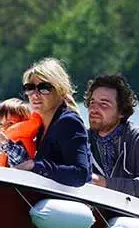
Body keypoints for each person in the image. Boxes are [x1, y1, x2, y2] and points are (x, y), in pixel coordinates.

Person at [12, 58, 91, 187]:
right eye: (30, 88)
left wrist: (34, 165)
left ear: (60, 90)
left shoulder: (69, 122)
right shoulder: (40, 126)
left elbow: (80, 174)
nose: (35, 95)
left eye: (44, 88)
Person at [85, 73, 139, 199]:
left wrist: (105, 183)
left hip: (130, 212)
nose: (94, 109)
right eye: (92, 102)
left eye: (104, 104)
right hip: (91, 209)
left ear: (122, 111)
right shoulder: (81, 139)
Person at [0, 98, 40, 167]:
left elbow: (21, 159)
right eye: (0, 124)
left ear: (23, 123)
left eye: (10, 123)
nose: (4, 128)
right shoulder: (2, 143)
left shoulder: (19, 143)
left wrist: (7, 143)